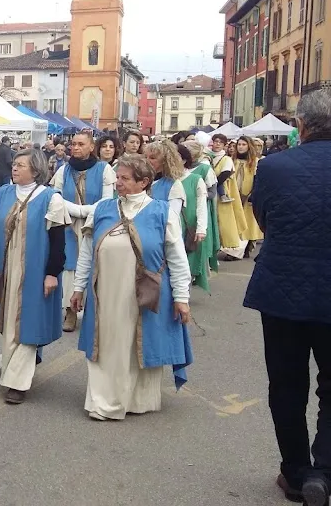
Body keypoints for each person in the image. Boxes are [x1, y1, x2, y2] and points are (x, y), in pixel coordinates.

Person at [244, 89, 331, 506]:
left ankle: (296, 473)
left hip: (282, 291)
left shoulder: (274, 167)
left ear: (301, 125)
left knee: (286, 384)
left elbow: (262, 220)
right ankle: (325, 471)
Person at [71, 154, 193, 421]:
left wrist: (181, 298)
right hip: (105, 292)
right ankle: (105, 402)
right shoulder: (103, 208)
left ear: (144, 182)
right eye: (117, 177)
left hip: (143, 291)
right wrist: (78, 287)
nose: (118, 183)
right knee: (107, 344)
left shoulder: (163, 212)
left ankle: (138, 400)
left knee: (137, 344)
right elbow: (86, 253)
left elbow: (177, 257)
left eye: (125, 178)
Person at [0, 149, 69, 404]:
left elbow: (57, 242)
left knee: (28, 322)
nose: (15, 168)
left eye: (21, 165)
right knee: (9, 322)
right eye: (15, 164)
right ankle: (14, 370)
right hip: (6, 268)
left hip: (34, 270)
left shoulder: (51, 198)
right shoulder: (3, 194)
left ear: (36, 170)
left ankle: (17, 383)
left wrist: (52, 273)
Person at [50, 129, 116, 333]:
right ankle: (70, 310)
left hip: (95, 223)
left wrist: (84, 211)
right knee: (70, 267)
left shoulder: (104, 169)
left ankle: (94, 311)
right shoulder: (63, 170)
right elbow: (56, 197)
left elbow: (107, 200)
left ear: (91, 147)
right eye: (74, 144)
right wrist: (74, 211)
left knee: (94, 264)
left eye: (81, 144)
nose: (76, 148)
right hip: (69, 224)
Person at [182, 141, 220, 291]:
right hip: (183, 209)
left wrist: (198, 195)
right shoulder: (179, 170)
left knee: (194, 243)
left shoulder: (204, 169)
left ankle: (194, 273)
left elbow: (212, 191)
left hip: (197, 209)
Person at [209, 134, 248, 259]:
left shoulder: (226, 159)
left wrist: (212, 185)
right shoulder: (208, 156)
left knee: (223, 223)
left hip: (220, 195)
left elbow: (225, 174)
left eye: (221, 142)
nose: (218, 144)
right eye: (216, 141)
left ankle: (231, 249)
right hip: (209, 193)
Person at [233, 136, 264, 259]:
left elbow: (258, 179)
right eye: (239, 144)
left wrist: (253, 194)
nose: (240, 147)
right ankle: (236, 248)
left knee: (248, 222)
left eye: (243, 144)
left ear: (249, 146)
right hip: (235, 194)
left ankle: (247, 245)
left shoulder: (255, 162)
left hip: (248, 195)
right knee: (236, 222)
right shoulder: (232, 160)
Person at [143, 140, 187, 216]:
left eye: (152, 158)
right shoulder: (139, 180)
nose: (146, 161)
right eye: (145, 157)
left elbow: (173, 217)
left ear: (164, 161)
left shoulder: (174, 185)